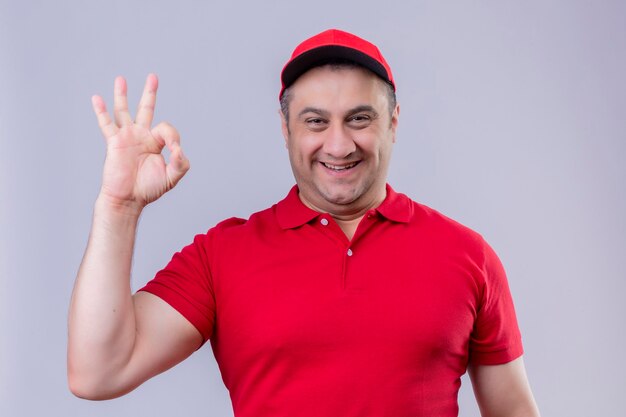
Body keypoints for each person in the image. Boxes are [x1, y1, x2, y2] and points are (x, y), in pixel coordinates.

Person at [68, 29, 540, 416]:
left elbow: (514, 412)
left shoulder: (467, 256)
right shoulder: (223, 255)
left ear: (393, 122)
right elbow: (98, 372)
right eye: (315, 122)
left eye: (359, 119)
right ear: (286, 127)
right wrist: (119, 208)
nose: (338, 145)